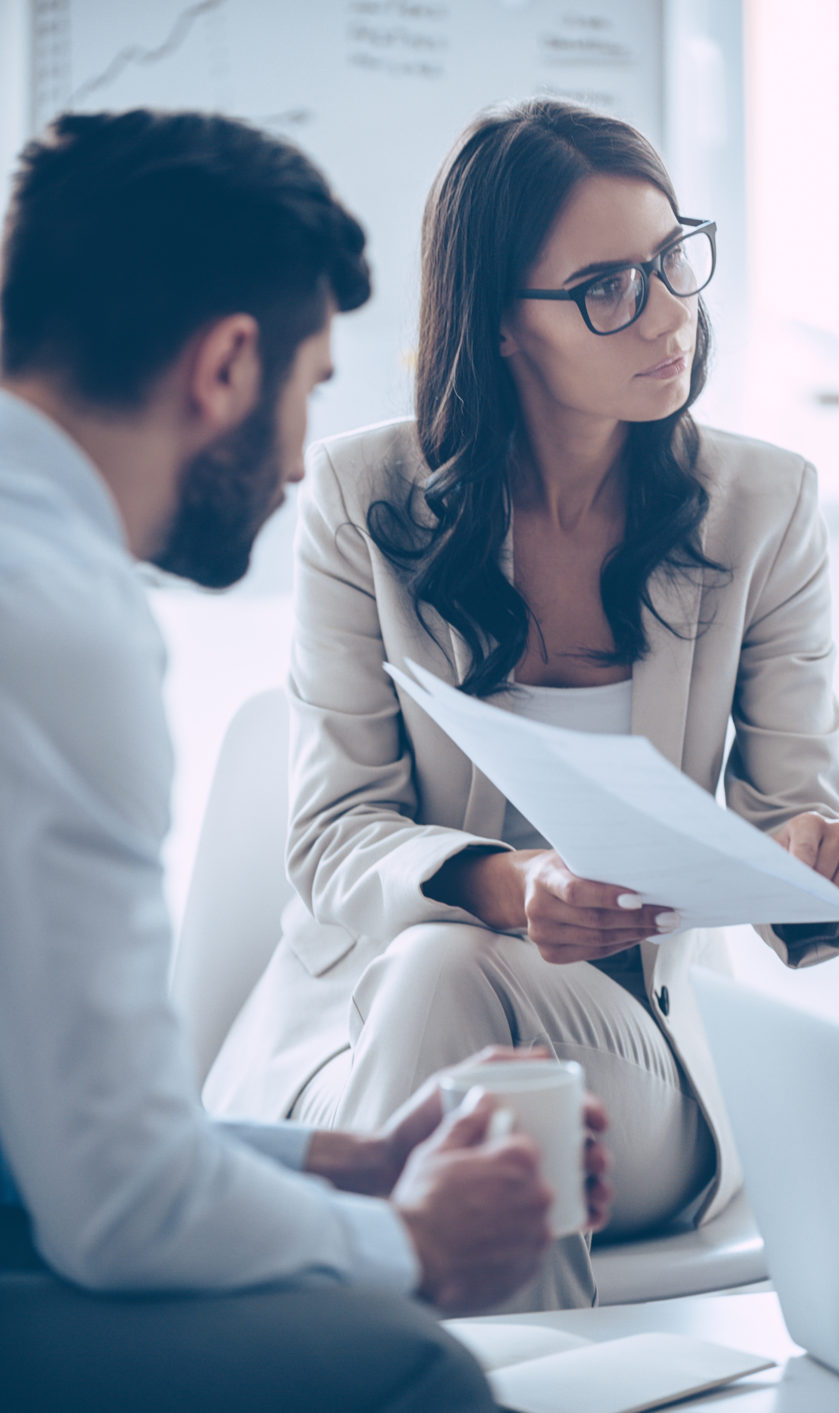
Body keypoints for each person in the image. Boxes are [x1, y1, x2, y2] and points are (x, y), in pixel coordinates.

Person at [205, 98, 839, 1310]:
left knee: (447, 990)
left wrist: (809, 860)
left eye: (674, 259)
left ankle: (365, 1354)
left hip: (639, 1060)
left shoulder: (762, 503)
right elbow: (330, 836)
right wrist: (510, 889)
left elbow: (795, 824)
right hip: (365, 1036)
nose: (670, 312)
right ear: (500, 325)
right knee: (440, 973)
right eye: (607, 288)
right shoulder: (364, 495)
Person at [0, 108, 612, 1412]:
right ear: (226, 365)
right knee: (413, 1368)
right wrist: (413, 1243)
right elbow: (119, 1206)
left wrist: (349, 1164)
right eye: (310, 388)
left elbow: (34, 1134)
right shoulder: (51, 614)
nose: (296, 461)